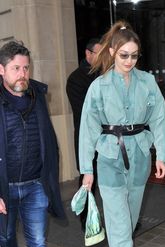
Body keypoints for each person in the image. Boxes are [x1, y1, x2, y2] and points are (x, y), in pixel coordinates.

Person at [79, 20, 165, 247]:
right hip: (109, 159)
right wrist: (86, 171)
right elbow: (87, 130)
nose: (129, 61)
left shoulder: (148, 82)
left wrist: (162, 155)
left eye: (134, 56)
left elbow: (159, 119)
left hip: (140, 157)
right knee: (119, 224)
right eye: (124, 56)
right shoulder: (99, 86)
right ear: (112, 52)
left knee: (129, 223)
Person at [0, 41, 68, 247]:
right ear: (1, 70)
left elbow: (49, 140)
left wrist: (50, 176)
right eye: (16, 68)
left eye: (26, 67)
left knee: (38, 245)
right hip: (4, 189)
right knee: (5, 238)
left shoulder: (37, 96)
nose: (22, 74)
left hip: (34, 186)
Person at [66, 38, 101, 230]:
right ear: (88, 54)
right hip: (86, 138)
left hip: (109, 138)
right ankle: (86, 219)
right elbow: (84, 113)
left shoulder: (107, 74)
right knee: (88, 179)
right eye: (99, 53)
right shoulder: (75, 79)